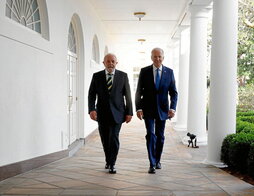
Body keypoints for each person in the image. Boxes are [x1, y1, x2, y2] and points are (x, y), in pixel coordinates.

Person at [88, 53, 133, 174]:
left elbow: (128, 95)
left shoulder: (123, 76)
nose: (110, 63)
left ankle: (112, 163)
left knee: (113, 138)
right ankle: (108, 160)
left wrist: (129, 112)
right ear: (104, 63)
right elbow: (91, 94)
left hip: (118, 113)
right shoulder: (97, 76)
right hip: (101, 113)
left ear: (116, 63)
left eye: (113, 61)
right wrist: (91, 109)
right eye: (108, 61)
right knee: (105, 139)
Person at [135, 48, 178, 174]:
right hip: (148, 109)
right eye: (155, 56)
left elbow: (174, 92)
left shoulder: (169, 72)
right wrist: (138, 108)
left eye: (159, 56)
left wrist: (173, 108)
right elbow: (139, 91)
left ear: (163, 58)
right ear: (151, 57)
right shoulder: (144, 71)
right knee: (150, 135)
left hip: (163, 110)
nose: (157, 59)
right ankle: (152, 163)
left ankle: (158, 160)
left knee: (160, 136)